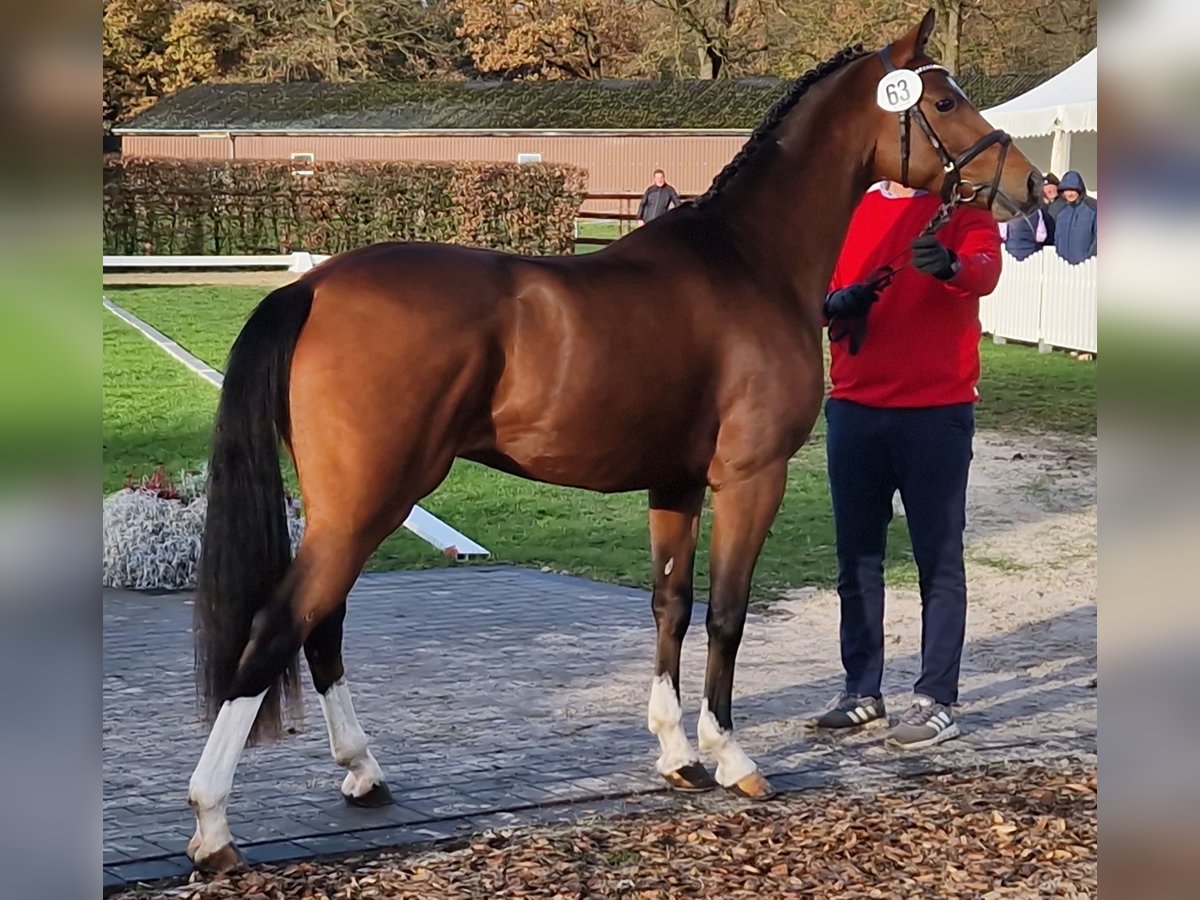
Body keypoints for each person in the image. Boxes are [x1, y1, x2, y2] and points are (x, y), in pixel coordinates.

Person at [810, 179, 1002, 750]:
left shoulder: (965, 210)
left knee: (938, 560)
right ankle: (861, 690)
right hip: (855, 407)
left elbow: (984, 272)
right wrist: (829, 306)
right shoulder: (851, 209)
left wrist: (948, 267)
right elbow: (814, 290)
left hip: (935, 412)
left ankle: (937, 698)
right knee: (857, 560)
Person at [1052, 170, 1097, 263]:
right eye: (1066, 190)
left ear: (1079, 190)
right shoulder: (1061, 211)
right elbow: (1057, 236)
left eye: (1073, 190)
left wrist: (1090, 257)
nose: (1069, 194)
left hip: (1087, 265)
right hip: (1063, 265)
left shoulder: (1092, 208)